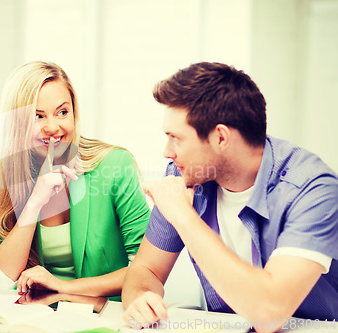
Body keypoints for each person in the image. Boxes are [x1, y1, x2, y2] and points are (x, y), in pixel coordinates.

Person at [122, 62, 338, 331]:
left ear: (221, 138)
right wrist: (141, 299)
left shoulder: (313, 190)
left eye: (175, 138)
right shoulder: (186, 176)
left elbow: (269, 313)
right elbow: (146, 271)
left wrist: (183, 217)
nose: (167, 152)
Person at [0, 61, 150, 299]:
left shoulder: (114, 165)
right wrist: (33, 205)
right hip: (41, 316)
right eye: (37, 116)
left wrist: (63, 287)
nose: (53, 127)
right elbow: (2, 280)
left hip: (106, 313)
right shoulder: (2, 176)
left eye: (62, 112)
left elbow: (146, 270)